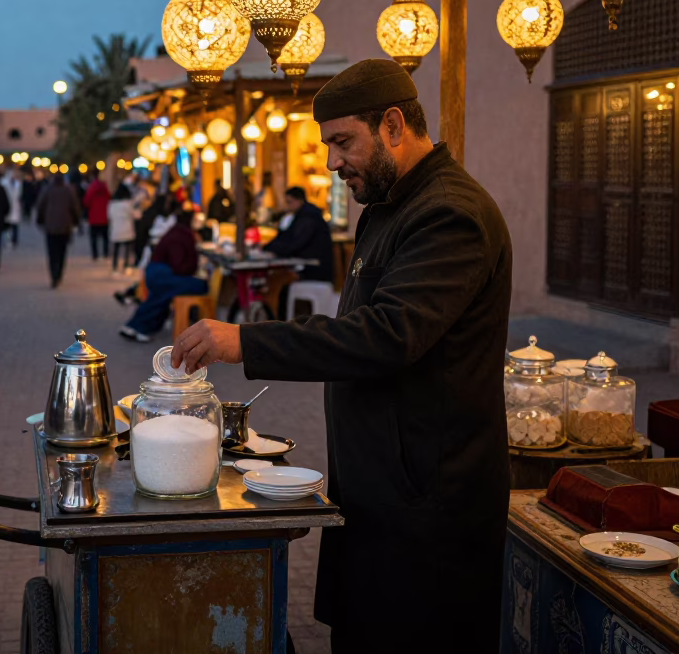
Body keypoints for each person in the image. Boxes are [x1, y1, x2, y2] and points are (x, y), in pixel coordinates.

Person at [171, 59, 512, 653]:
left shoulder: (448, 213)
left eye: (342, 142)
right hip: (378, 489)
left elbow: (384, 336)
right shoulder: (386, 208)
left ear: (394, 126)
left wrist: (245, 341)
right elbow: (350, 327)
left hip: (429, 505)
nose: (332, 163)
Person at [120, 206, 205, 343]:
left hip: (158, 272)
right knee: (197, 286)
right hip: (163, 273)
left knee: (159, 297)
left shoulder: (175, 232)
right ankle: (138, 327)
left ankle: (137, 327)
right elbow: (179, 265)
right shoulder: (182, 235)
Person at [264, 186, 334, 284]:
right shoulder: (303, 216)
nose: (288, 206)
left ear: (299, 200)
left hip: (314, 271)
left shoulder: (308, 218)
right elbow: (288, 238)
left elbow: (295, 242)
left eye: (289, 202)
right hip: (311, 266)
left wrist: (271, 249)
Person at [35, 172, 81, 287]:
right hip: (65, 225)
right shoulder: (69, 190)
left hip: (50, 226)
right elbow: (75, 207)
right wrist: (76, 221)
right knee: (62, 252)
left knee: (52, 252)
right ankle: (58, 274)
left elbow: (40, 205)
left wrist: (40, 220)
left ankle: (53, 275)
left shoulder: (47, 190)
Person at [107, 182, 136, 277]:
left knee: (116, 249)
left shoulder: (112, 204)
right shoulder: (128, 204)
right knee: (127, 248)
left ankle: (115, 268)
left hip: (116, 228)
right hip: (127, 228)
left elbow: (109, 216)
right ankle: (126, 266)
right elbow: (134, 214)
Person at [82, 173, 111, 261]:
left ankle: (95, 254)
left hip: (94, 217)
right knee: (105, 237)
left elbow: (86, 201)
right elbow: (109, 199)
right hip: (104, 216)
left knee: (93, 237)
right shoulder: (105, 188)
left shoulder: (91, 187)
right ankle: (105, 253)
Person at [1, 168, 23, 248]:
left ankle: (14, 241)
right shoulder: (3, 182)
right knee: (7, 226)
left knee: (15, 226)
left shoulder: (18, 183)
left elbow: (19, 196)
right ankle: (7, 240)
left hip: (15, 207)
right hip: (7, 206)